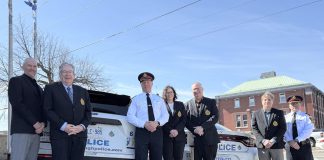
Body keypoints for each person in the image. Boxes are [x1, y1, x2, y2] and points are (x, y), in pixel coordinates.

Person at [43, 62, 92, 160]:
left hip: (79, 136)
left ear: (74, 75)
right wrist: (63, 126)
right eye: (64, 72)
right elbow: (47, 109)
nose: (67, 74)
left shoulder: (83, 91)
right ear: (60, 75)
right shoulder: (50, 89)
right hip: (59, 136)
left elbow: (88, 112)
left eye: (70, 72)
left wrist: (81, 127)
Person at [8, 58, 46, 160]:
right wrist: (35, 123)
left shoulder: (39, 88)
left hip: (36, 133)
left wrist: (43, 123)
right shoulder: (16, 81)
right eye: (29, 65)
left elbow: (44, 108)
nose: (32, 68)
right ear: (23, 67)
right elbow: (17, 104)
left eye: (34, 66)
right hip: (21, 131)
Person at [126, 72, 169, 160]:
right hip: (142, 132)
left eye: (148, 81)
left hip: (157, 132)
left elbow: (165, 115)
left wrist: (156, 123)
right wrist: (144, 124)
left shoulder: (159, 99)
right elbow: (130, 116)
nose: (146, 84)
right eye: (143, 82)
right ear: (140, 84)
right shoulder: (135, 99)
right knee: (140, 157)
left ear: (152, 83)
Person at [185, 82, 219, 160]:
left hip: (210, 140)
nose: (196, 91)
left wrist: (202, 127)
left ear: (202, 90)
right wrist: (195, 129)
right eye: (194, 89)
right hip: (195, 141)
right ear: (192, 92)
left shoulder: (211, 102)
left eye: (198, 89)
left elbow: (215, 117)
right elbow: (185, 120)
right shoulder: (187, 105)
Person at [252, 91, 286, 160]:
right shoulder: (256, 114)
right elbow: (254, 129)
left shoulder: (279, 113)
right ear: (262, 101)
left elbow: (283, 128)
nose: (267, 101)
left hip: (276, 145)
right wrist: (263, 140)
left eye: (269, 99)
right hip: (262, 146)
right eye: (265, 100)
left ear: (272, 101)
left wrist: (273, 140)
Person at [284, 95, 314, 160]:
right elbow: (283, 131)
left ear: (300, 104)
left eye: (297, 103)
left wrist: (297, 140)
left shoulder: (306, 117)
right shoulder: (284, 118)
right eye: (292, 103)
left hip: (304, 146)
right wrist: (290, 141)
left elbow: (308, 130)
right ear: (289, 105)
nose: (294, 105)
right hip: (290, 146)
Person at [162, 85, 186, 160]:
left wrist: (176, 130)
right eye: (167, 92)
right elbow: (161, 120)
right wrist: (170, 130)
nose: (170, 94)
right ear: (165, 94)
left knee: (179, 158)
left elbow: (184, 120)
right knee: (168, 158)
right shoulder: (161, 105)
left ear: (174, 93)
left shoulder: (180, 104)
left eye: (171, 92)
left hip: (179, 137)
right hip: (166, 137)